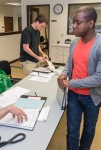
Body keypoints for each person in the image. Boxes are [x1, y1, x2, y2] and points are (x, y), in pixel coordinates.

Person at [57, 6, 101, 150]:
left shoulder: (99, 44)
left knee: (88, 130)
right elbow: (70, 62)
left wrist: (69, 82)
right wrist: (64, 73)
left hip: (92, 98)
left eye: (78, 22)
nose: (73, 26)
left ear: (91, 23)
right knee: (72, 131)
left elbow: (99, 78)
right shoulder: (75, 42)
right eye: (73, 22)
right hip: (74, 96)